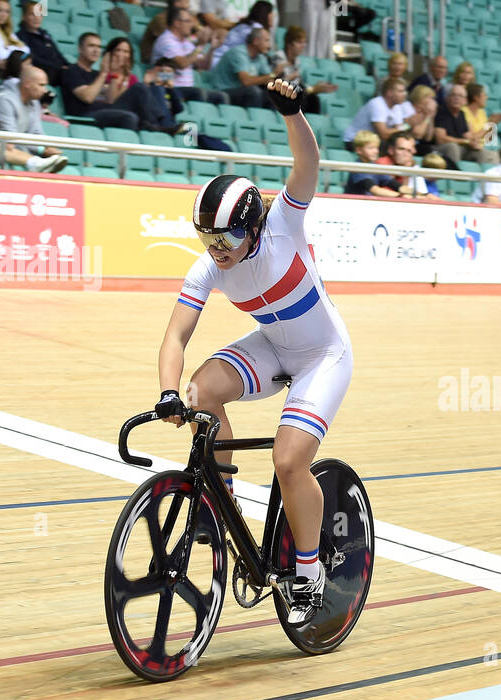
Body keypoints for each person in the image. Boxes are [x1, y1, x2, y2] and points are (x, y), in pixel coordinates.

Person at [160, 79, 349, 624]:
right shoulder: (208, 265)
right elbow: (176, 336)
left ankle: (310, 574)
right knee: (200, 391)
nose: (214, 251)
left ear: (250, 227)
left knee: (290, 461)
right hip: (273, 346)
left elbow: (307, 161)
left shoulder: (285, 223)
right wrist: (170, 394)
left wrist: (293, 113)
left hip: (322, 355)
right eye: (206, 240)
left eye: (223, 240)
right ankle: (221, 499)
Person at [0, 62, 68, 167]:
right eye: (41, 85)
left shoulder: (35, 102)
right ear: (27, 83)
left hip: (24, 152)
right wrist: (41, 150)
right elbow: (11, 138)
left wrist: (47, 147)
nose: (45, 90)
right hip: (3, 153)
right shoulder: (3, 100)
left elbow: (37, 133)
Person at [270, 25, 335, 115]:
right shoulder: (278, 57)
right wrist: (310, 89)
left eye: (304, 42)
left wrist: (312, 89)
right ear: (289, 43)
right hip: (280, 93)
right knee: (302, 96)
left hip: (293, 92)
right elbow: (281, 82)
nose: (303, 46)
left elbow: (297, 83)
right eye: (299, 42)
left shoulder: (297, 61)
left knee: (313, 99)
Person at [15, 0, 66, 86]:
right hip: (41, 73)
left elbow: (58, 54)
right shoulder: (20, 36)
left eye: (40, 14)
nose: (37, 18)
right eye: (33, 14)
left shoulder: (45, 35)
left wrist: (69, 66)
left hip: (57, 71)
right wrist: (59, 67)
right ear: (24, 16)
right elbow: (33, 58)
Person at [344, 129, 400, 196]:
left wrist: (413, 193)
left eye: (376, 148)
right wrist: (401, 196)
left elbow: (396, 185)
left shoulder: (375, 167)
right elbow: (375, 190)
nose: (376, 151)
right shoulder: (357, 168)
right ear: (359, 150)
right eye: (371, 148)